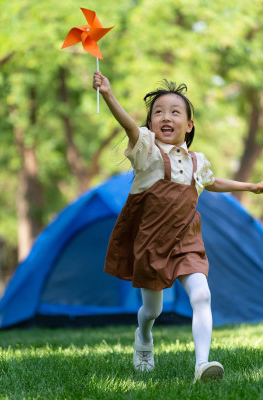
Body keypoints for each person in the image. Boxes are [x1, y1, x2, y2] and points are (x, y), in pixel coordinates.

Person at [93, 71, 263, 383]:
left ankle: (203, 365)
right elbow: (129, 126)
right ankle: (143, 337)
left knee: (201, 296)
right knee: (152, 311)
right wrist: (107, 94)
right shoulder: (145, 152)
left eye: (175, 112)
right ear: (150, 123)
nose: (166, 117)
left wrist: (250, 186)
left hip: (187, 241)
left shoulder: (197, 160)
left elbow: (211, 182)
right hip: (152, 245)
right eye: (158, 112)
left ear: (189, 124)